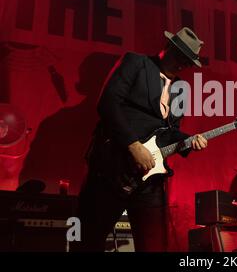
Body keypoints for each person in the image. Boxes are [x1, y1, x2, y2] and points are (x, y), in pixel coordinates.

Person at [72, 27, 208, 252]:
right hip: (112, 169)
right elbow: (108, 103)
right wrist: (133, 145)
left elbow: (170, 131)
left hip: (149, 180)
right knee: (88, 242)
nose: (182, 64)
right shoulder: (136, 63)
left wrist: (189, 141)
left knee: (154, 245)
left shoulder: (181, 90)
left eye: (188, 62)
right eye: (179, 56)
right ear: (167, 48)